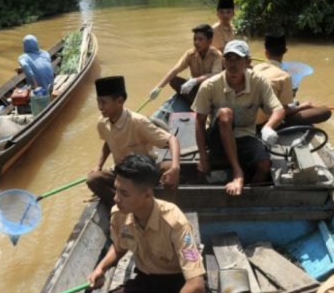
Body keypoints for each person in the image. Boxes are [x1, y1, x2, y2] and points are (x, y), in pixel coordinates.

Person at [87, 153, 233, 293]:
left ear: (147, 194)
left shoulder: (175, 222)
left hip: (180, 281)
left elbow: (195, 285)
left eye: (124, 193)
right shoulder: (120, 214)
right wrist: (102, 268)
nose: (116, 198)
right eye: (116, 189)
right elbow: (119, 247)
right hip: (147, 280)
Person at [192, 39, 285, 196]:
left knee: (264, 165)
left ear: (248, 62)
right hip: (217, 139)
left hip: (245, 136)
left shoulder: (259, 81)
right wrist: (202, 156)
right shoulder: (210, 85)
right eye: (229, 59)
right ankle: (238, 173)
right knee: (225, 114)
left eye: (238, 59)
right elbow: (199, 122)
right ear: (223, 62)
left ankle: (251, 194)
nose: (233, 65)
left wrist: (268, 127)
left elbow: (278, 109)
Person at [88, 76, 180, 209]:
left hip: (145, 174)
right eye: (98, 102)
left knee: (170, 168)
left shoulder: (138, 122)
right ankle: (123, 208)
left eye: (104, 102)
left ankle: (166, 209)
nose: (100, 107)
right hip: (122, 174)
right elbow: (108, 141)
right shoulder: (102, 122)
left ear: (120, 101)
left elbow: (172, 139)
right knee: (93, 179)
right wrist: (98, 165)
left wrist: (175, 167)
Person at [253, 33, 331, 127]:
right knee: (326, 111)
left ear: (266, 52)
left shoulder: (255, 68)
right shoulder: (284, 76)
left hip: (249, 119)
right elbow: (283, 111)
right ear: (286, 50)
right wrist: (302, 106)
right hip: (266, 123)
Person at [149, 24, 223, 105]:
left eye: (200, 39)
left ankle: (201, 104)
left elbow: (215, 75)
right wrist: (159, 88)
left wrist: (195, 81)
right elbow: (175, 70)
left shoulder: (217, 55)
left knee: (210, 86)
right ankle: (197, 102)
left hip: (210, 90)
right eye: (195, 39)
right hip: (196, 89)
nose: (196, 42)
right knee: (174, 80)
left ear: (209, 41)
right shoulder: (190, 54)